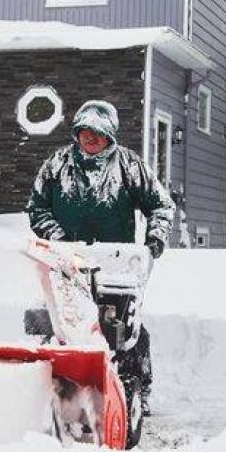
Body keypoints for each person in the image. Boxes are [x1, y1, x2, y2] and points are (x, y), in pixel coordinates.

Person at [26, 100, 175, 420]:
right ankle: (47, 384)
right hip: (65, 262)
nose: (91, 138)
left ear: (110, 135)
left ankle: (137, 388)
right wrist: (59, 239)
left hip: (116, 265)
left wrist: (154, 239)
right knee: (52, 320)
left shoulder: (130, 166)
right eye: (85, 131)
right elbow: (37, 207)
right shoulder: (56, 165)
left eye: (98, 132)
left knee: (124, 329)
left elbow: (162, 206)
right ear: (76, 132)